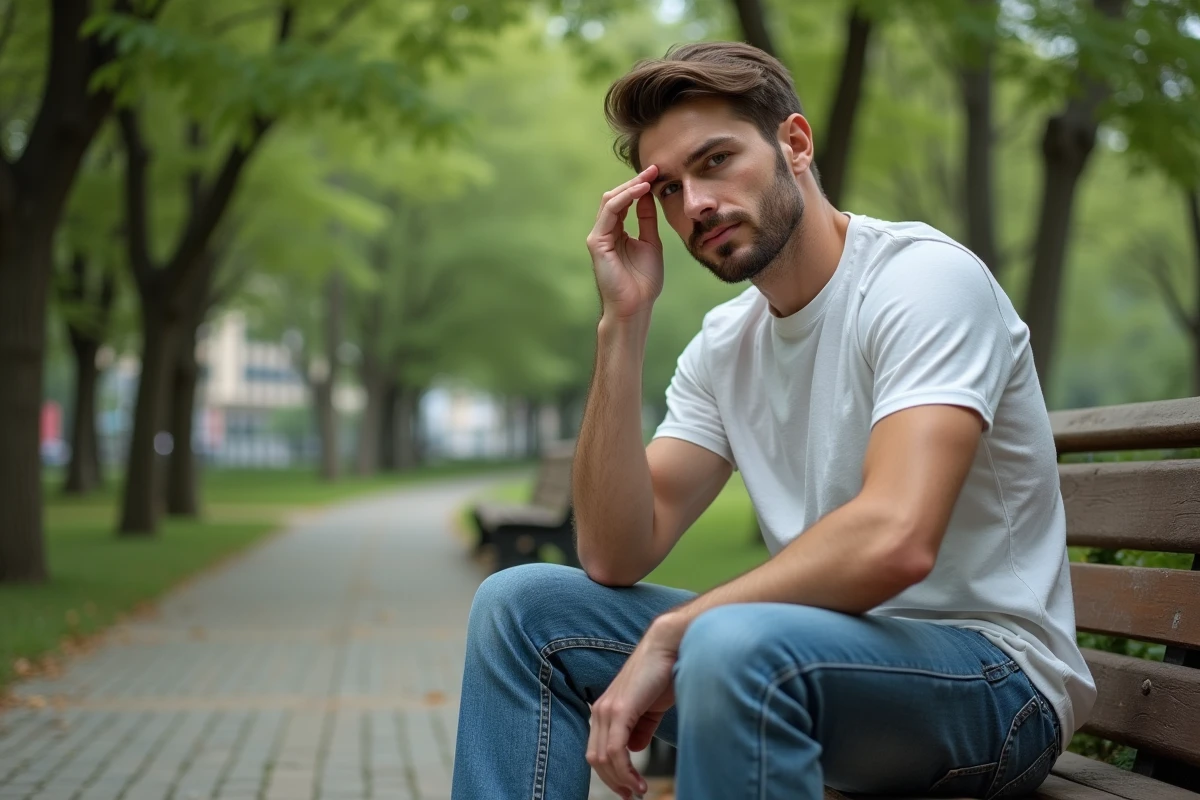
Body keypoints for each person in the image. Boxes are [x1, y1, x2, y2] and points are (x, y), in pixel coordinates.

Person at [450, 41, 1095, 800]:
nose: (694, 205)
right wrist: (621, 323)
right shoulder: (727, 346)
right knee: (522, 610)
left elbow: (897, 536)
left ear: (795, 143)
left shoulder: (922, 282)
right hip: (805, 659)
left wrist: (678, 629)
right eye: (669, 189)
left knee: (726, 640)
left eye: (716, 160)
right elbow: (615, 553)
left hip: (994, 683)